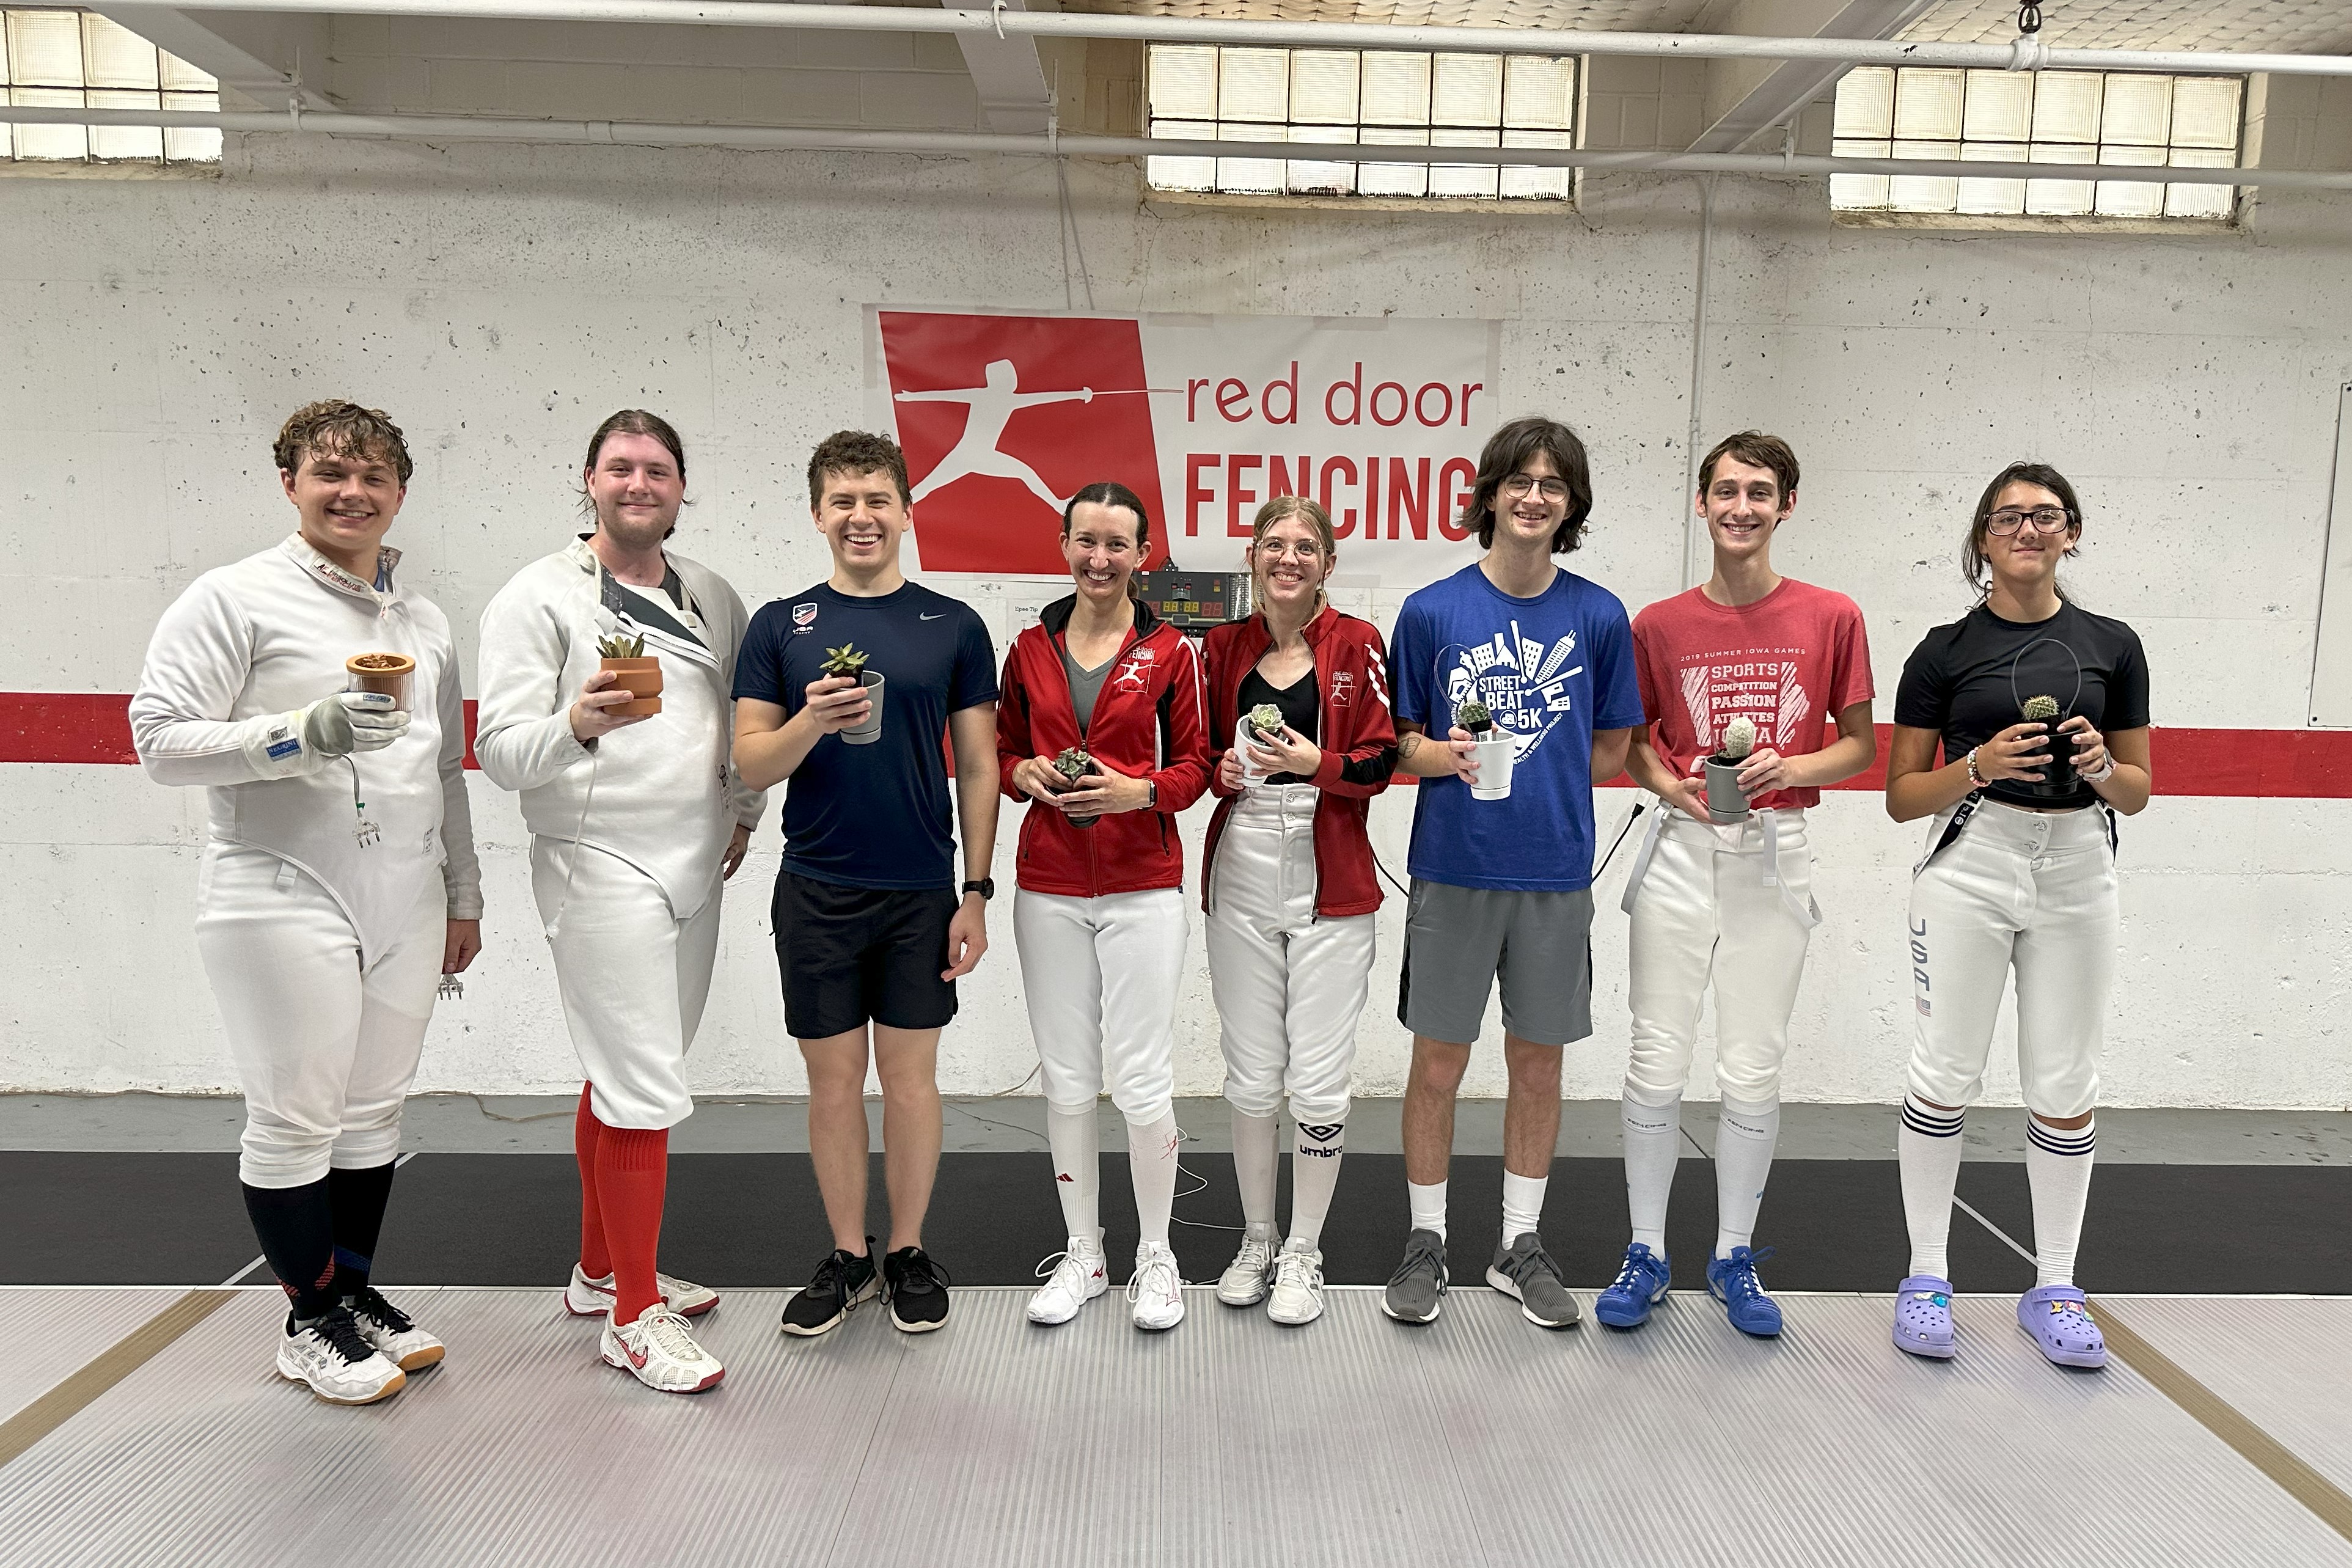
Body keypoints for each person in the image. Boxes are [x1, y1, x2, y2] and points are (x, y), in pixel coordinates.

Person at [130, 400, 480, 1405]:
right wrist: (302, 732)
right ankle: (309, 1318)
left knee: (371, 1115)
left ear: (399, 493)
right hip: (280, 887)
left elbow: (444, 770)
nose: (351, 492)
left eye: (373, 476)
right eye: (331, 473)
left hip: (406, 894)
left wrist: (462, 890)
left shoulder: (423, 622)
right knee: (295, 1119)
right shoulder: (234, 597)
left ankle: (352, 1294)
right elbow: (159, 740)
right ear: (290, 483)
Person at [476, 410, 766, 1393]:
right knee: (642, 1085)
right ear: (589, 480)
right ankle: (634, 1316)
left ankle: (600, 1270)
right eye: (620, 467)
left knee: (630, 1069)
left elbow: (742, 716)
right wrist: (576, 722)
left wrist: (743, 810)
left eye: (657, 469)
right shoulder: (537, 596)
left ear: (681, 487)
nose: (638, 483)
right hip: (597, 860)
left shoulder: (712, 595)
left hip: (696, 861)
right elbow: (500, 752)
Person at [1599, 432, 1875, 1338]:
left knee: (1753, 1062)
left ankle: (1733, 1253)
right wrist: (1667, 785)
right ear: (1702, 502)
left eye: (1759, 492)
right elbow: (1633, 743)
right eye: (1726, 490)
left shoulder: (1831, 615)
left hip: (1774, 851)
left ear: (1785, 505)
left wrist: (1789, 765)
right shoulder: (1657, 624)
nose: (1741, 507)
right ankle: (1645, 1250)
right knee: (1655, 1055)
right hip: (1682, 847)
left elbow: (1859, 747)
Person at [734, 430, 1001, 1336]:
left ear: (906, 512)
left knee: (913, 1082)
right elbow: (752, 763)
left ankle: (908, 1251)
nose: (861, 516)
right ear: (818, 515)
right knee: (834, 1083)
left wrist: (975, 889)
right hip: (817, 887)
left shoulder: (953, 625)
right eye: (843, 500)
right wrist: (810, 720)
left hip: (921, 890)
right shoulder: (780, 625)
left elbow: (978, 764)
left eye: (878, 499)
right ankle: (849, 1255)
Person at [1380, 416, 1645, 1330]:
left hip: (1554, 873)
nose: (1534, 497)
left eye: (1553, 485)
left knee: (1537, 1063)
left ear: (1571, 505)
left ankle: (1517, 1243)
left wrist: (1541, 771)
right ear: (1489, 494)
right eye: (1519, 481)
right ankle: (1426, 1239)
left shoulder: (1598, 615)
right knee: (1437, 1061)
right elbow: (1400, 743)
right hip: (1453, 866)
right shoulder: (1430, 612)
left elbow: (1611, 750)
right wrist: (1446, 756)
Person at [1885, 462, 2151, 1370]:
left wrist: (2101, 766)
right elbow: (1900, 796)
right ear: (1983, 538)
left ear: (2070, 532)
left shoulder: (2114, 645)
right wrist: (1978, 765)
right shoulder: (1942, 650)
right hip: (1972, 861)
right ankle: (1926, 1275)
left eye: (2045, 515)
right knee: (1945, 1072)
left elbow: (2138, 789)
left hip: (2078, 865)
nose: (2027, 529)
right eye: (2008, 517)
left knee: (2066, 1084)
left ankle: (2057, 1287)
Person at [999, 482, 1212, 1333]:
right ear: (1063, 546)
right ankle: (1083, 1252)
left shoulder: (1171, 651)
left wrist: (1135, 792)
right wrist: (1021, 772)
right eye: (1085, 541)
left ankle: (1156, 1253)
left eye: (1116, 544)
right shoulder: (1028, 647)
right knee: (1067, 1077)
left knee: (1142, 1077)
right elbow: (1003, 750)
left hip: (1141, 886)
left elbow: (1197, 767)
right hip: (1048, 885)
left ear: (1142, 555)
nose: (1099, 558)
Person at [1200, 496, 1397, 1327]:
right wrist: (1219, 771)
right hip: (1241, 863)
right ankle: (1257, 1238)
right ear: (1252, 555)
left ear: (1327, 564)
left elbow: (1382, 759)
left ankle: (1304, 1249)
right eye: (1274, 543)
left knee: (1316, 1080)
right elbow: (1196, 757)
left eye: (1305, 546)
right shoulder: (1218, 647)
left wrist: (1319, 762)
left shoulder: (1358, 642)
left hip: (1331, 871)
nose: (1289, 557)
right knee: (1251, 1073)